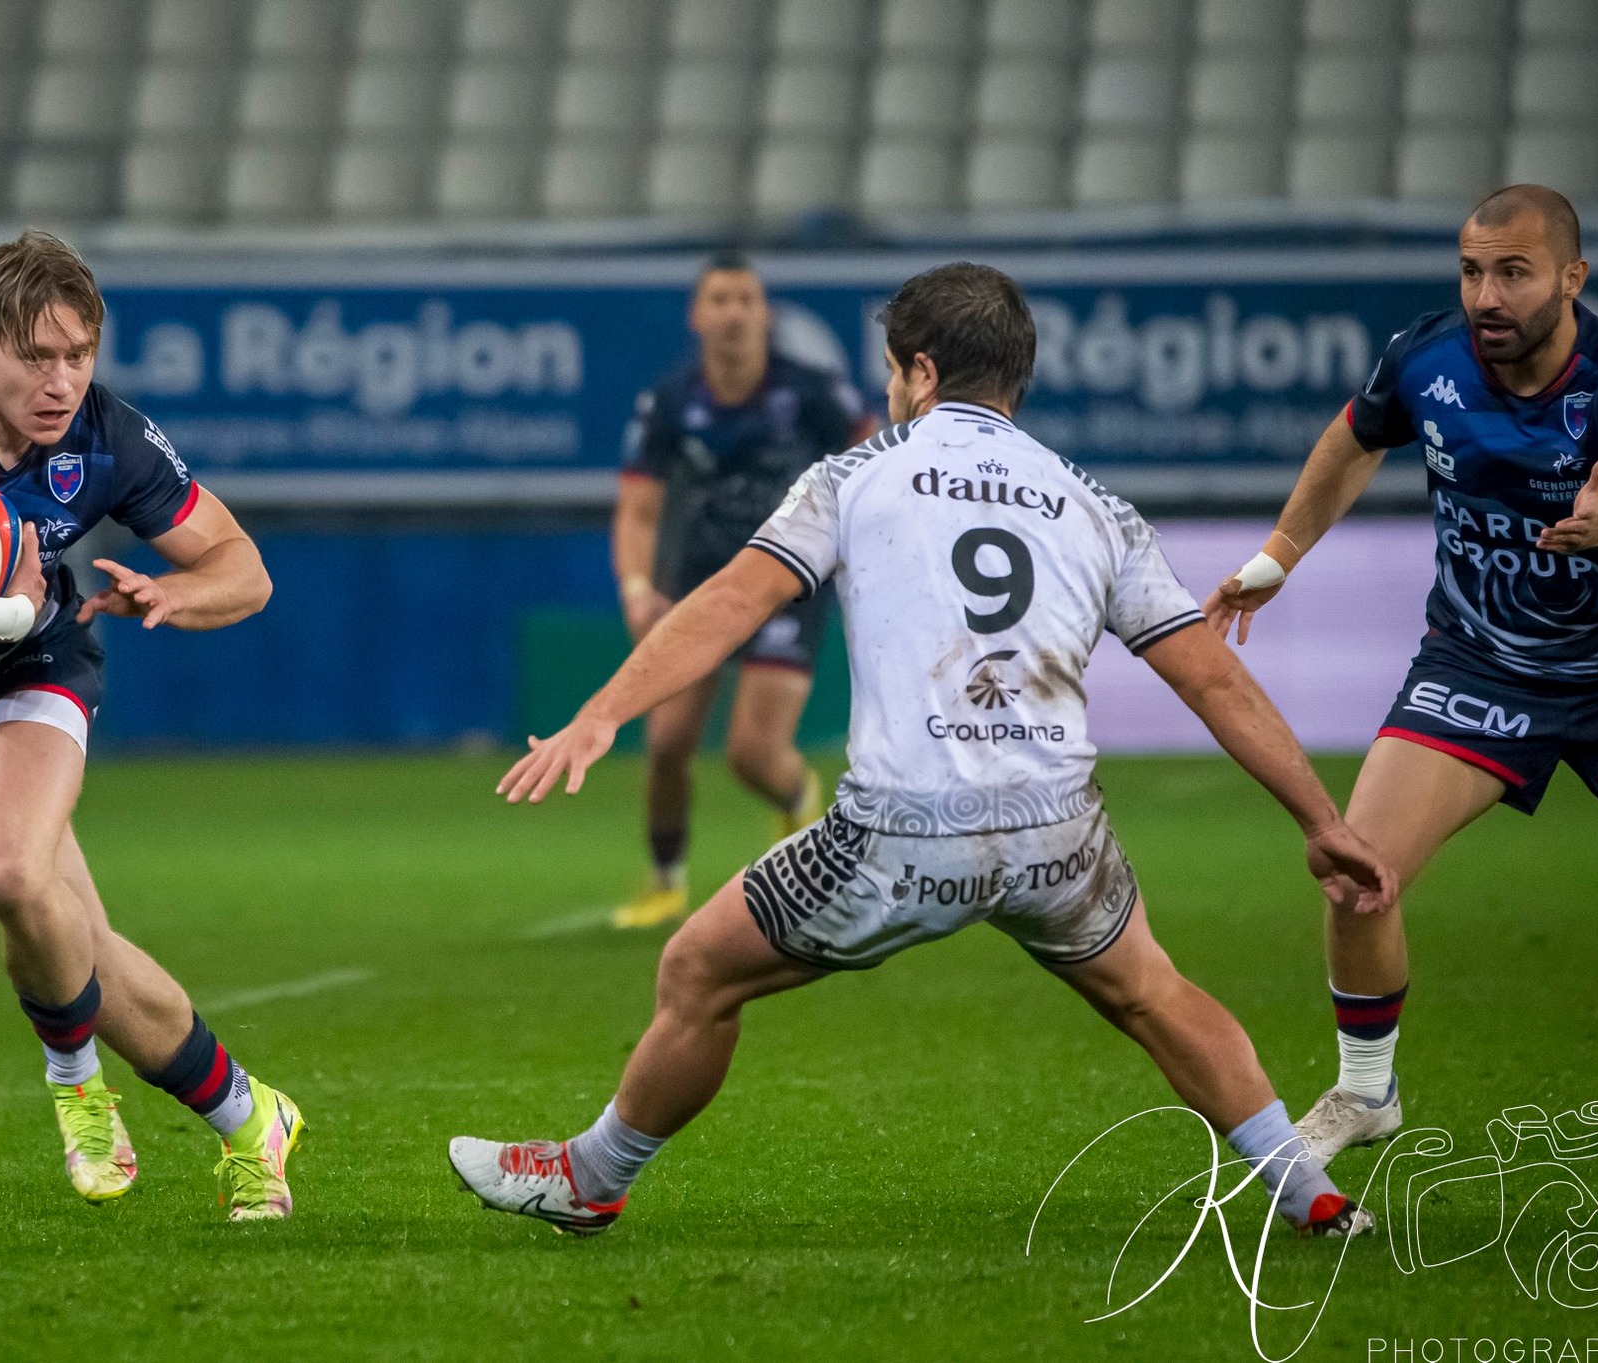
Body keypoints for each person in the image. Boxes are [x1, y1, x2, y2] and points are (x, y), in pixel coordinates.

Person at [450, 263, 1398, 1240]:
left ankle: (590, 1178)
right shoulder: (1091, 504)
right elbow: (1211, 678)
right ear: (1015, 379)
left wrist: (604, 712)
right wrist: (1319, 821)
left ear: (918, 370)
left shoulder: (856, 474)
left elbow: (733, 600)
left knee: (696, 970)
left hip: (902, 830)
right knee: (1152, 992)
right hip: (1055, 831)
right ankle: (1310, 1196)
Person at [0, 230, 301, 1221]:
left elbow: (244, 568)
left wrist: (175, 593)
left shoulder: (107, 436)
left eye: (79, 354)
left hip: (33, 663)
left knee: (9, 867)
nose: (62, 379)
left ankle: (75, 1084)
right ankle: (253, 1117)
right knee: (76, 942)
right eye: (38, 355)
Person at [1205, 184, 1598, 1167]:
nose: (1485, 295)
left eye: (1512, 271)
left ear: (1569, 279)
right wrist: (1278, 555)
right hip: (1476, 664)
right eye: (1470, 271)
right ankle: (1365, 1090)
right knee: (1354, 875)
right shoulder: (1423, 359)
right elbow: (1349, 439)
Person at [608, 252, 872, 929]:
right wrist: (639, 588)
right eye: (719, 300)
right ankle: (665, 878)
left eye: (745, 300)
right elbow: (637, 509)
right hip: (700, 585)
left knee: (752, 753)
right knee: (667, 741)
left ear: (765, 313)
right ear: (698, 315)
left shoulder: (813, 392)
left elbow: (879, 462)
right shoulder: (670, 401)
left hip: (788, 583)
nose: (732, 313)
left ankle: (799, 799)